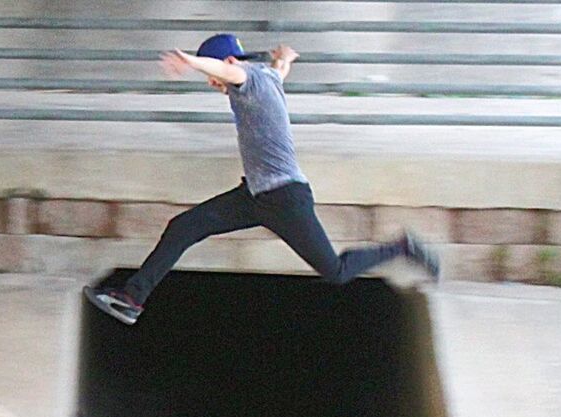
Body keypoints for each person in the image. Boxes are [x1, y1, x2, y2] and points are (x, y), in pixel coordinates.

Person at [85, 33, 440, 326]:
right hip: (255, 195)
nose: (212, 84)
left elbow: (231, 72)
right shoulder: (268, 77)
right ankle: (132, 298)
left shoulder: (249, 78)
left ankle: (403, 247)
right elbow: (278, 69)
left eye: (214, 76)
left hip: (286, 199)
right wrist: (286, 59)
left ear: (227, 64)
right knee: (184, 226)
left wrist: (191, 61)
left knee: (335, 271)